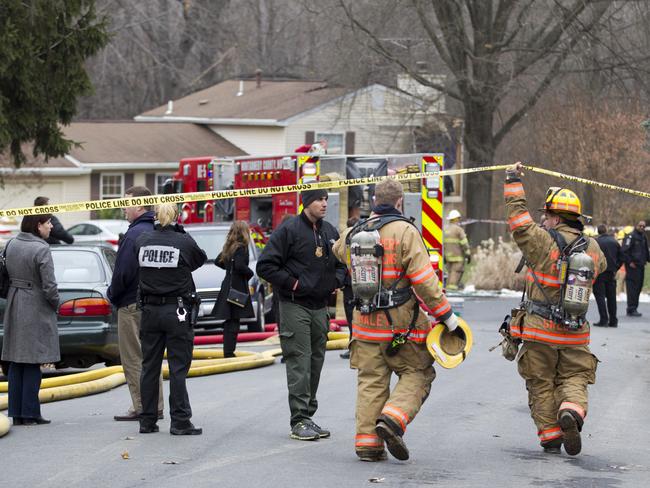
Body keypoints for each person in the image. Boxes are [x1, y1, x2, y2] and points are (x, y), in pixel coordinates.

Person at [333, 179, 458, 462]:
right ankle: (392, 419)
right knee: (420, 371)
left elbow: (338, 251)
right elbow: (424, 281)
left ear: (374, 200)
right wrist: (446, 317)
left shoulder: (356, 231)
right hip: (399, 324)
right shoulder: (406, 231)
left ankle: (368, 445)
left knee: (371, 382)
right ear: (400, 202)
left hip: (363, 324)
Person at [504, 162, 606, 456]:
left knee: (540, 382)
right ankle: (571, 412)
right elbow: (599, 272)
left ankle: (550, 437)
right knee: (574, 378)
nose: (543, 219)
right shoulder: (593, 248)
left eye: (546, 215)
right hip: (575, 333)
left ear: (553, 216)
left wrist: (512, 180)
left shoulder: (540, 241)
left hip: (540, 330)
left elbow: (519, 221)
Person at [257, 189, 347, 441]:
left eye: (326, 199)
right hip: (295, 305)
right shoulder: (289, 231)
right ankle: (298, 420)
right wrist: (293, 284)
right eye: (319, 199)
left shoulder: (329, 231)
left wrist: (337, 280)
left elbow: (342, 263)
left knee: (316, 362)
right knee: (300, 361)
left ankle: (308, 416)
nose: (324, 203)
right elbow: (265, 265)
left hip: (320, 307)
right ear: (306, 202)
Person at [135, 202, 207, 435]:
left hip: (149, 312)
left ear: (155, 216)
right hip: (177, 312)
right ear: (176, 216)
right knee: (177, 368)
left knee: (149, 367)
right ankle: (180, 421)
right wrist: (181, 232)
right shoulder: (183, 242)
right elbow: (199, 259)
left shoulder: (142, 240)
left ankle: (147, 420)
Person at [107, 186, 163, 421]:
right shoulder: (156, 230)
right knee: (151, 358)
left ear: (140, 206)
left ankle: (141, 406)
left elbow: (123, 274)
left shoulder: (132, 236)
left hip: (130, 304)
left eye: (127, 202)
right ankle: (156, 405)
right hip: (153, 303)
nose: (123, 207)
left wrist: (112, 295)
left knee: (133, 358)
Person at [1, 214, 59, 425]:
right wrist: (55, 304)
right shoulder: (41, 248)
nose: (51, 226)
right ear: (38, 225)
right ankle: (31, 413)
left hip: (14, 301)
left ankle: (16, 413)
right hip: (35, 304)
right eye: (48, 222)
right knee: (34, 360)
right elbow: (49, 285)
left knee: (16, 360)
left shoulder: (12, 243)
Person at [211, 221, 255, 357]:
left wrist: (229, 270)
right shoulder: (241, 248)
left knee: (231, 320)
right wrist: (250, 273)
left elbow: (217, 261)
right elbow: (240, 266)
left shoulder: (229, 246)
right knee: (234, 321)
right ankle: (229, 352)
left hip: (227, 286)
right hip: (237, 288)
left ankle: (228, 348)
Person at [593, 224, 621, 327]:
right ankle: (613, 320)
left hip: (600, 272)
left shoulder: (596, 242)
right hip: (611, 272)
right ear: (606, 230)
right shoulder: (614, 241)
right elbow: (622, 256)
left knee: (600, 296)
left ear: (598, 231)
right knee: (611, 297)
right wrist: (616, 267)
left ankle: (604, 319)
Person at [340, 216, 360, 360]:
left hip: (350, 284)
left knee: (351, 316)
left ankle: (354, 347)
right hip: (360, 283)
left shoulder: (344, 241)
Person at [621, 220, 649, 317]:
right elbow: (624, 251)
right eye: (640, 225)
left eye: (643, 226)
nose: (642, 227)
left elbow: (645, 251)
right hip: (633, 267)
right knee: (632, 288)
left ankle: (634, 308)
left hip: (641, 266)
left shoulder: (643, 237)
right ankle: (631, 308)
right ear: (636, 226)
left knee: (638, 287)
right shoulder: (630, 236)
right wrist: (629, 262)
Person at [443, 209, 470, 290]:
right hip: (458, 257)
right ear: (457, 219)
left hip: (447, 257)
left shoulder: (445, 229)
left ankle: (447, 290)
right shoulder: (459, 229)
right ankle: (452, 291)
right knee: (456, 273)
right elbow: (464, 243)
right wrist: (468, 254)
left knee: (450, 273)